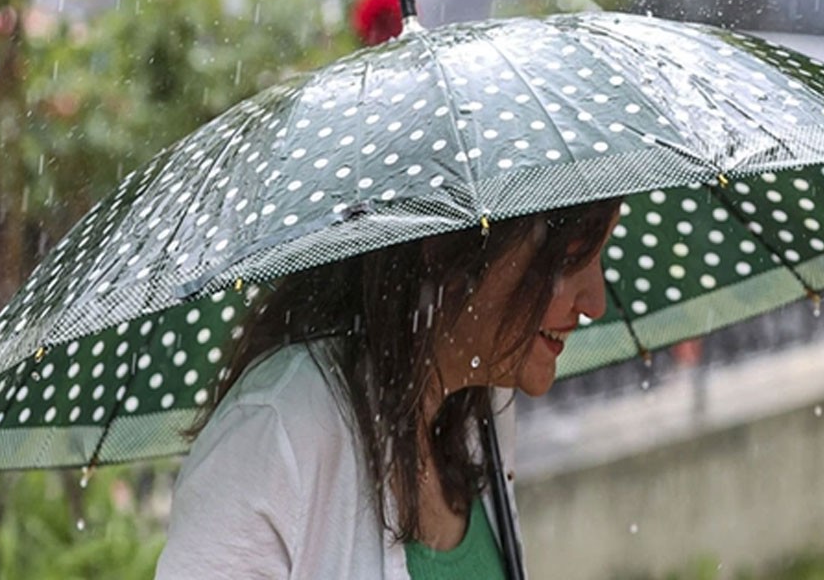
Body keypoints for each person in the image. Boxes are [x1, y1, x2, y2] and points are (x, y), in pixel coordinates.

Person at [156, 199, 622, 579]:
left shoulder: (485, 410)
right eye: (569, 258)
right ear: (448, 245)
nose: (595, 302)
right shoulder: (274, 431)